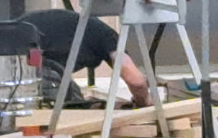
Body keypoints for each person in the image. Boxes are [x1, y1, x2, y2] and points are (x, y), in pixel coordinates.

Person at [16, 8, 151, 109]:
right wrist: (143, 103)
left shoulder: (89, 29)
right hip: (31, 56)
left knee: (67, 92)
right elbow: (136, 81)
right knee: (70, 100)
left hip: (15, 48)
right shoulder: (108, 38)